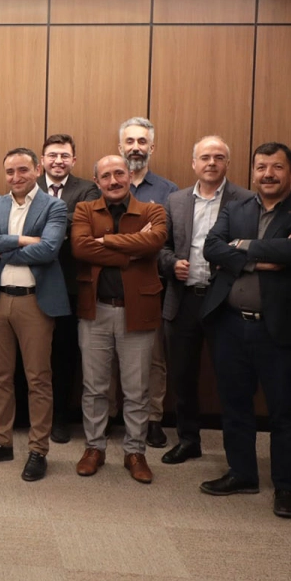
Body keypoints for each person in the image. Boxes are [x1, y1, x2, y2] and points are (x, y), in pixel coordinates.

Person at [199, 143, 291, 516]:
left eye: (277, 167)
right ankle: (242, 473)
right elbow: (211, 248)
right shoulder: (234, 208)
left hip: (278, 329)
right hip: (229, 325)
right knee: (235, 404)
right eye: (261, 166)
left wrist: (241, 248)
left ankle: (286, 486)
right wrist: (261, 258)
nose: (268, 174)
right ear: (253, 171)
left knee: (284, 410)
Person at [0, 149, 70, 482]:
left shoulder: (54, 206)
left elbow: (49, 249)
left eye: (23, 170)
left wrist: (1, 248)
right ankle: (2, 441)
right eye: (10, 172)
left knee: (38, 379)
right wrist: (21, 240)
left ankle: (38, 450)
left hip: (34, 303)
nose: (16, 177)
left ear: (37, 169)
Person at [71, 154, 169, 484]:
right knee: (94, 386)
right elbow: (80, 248)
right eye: (106, 176)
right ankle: (94, 448)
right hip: (95, 310)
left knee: (137, 388)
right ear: (96, 181)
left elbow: (155, 241)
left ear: (129, 175)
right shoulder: (85, 210)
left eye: (119, 173)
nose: (113, 181)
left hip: (137, 311)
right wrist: (130, 253)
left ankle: (135, 452)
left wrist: (106, 242)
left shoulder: (153, 211)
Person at [158, 136, 246, 466]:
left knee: (232, 377)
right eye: (205, 157)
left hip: (226, 301)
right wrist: (171, 264)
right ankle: (188, 440)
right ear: (194, 163)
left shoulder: (245, 200)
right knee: (183, 376)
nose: (211, 163)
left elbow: (252, 246)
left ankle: (237, 452)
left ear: (227, 164)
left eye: (218, 157)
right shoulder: (175, 200)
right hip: (184, 300)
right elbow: (161, 246)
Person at [120, 118, 180, 448]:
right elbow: (98, 235)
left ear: (151, 147)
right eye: (129, 141)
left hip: (150, 284)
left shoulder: (168, 191)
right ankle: (113, 416)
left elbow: (165, 238)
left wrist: (128, 239)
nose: (135, 147)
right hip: (111, 283)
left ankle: (153, 418)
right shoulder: (108, 182)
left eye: (141, 141)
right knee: (110, 356)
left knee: (153, 358)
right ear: (120, 147)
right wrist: (139, 237)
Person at [37, 135, 100, 445]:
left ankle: (61, 417)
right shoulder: (29, 183)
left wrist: (43, 221)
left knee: (64, 355)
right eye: (52, 155)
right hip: (32, 281)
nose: (58, 161)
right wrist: (65, 223)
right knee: (34, 355)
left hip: (70, 284)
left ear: (73, 160)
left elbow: (88, 220)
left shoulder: (87, 189)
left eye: (64, 155)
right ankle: (34, 415)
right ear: (42, 161)